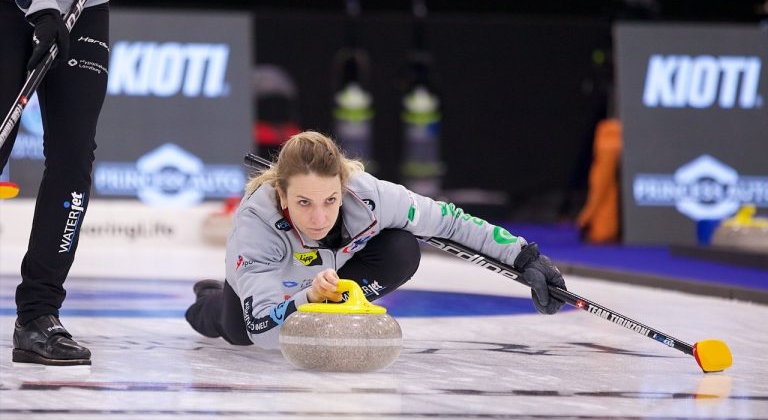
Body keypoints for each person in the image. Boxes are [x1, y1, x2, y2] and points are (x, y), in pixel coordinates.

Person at [186, 131, 566, 348]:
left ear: (343, 186)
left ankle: (335, 302)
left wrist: (523, 258)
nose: (319, 218)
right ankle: (209, 298)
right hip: (275, 280)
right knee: (237, 334)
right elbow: (264, 331)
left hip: (335, 277)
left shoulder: (373, 198)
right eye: (303, 202)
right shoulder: (256, 222)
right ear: (282, 196)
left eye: (330, 200)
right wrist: (308, 298)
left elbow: (449, 221)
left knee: (402, 249)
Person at [0, 0, 111, 365]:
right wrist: (41, 3)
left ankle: (37, 315)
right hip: (10, 4)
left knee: (74, 159)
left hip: (86, 8)